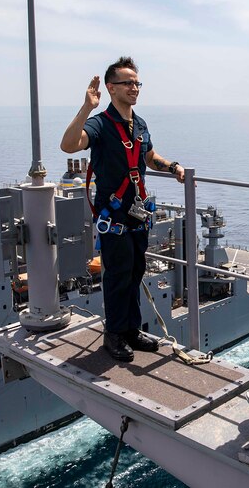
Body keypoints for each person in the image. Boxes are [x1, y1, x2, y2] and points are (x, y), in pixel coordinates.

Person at [61, 57, 185, 362]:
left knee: (134, 272)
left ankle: (131, 330)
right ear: (110, 88)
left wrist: (172, 167)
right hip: (113, 216)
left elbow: (149, 155)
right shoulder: (100, 124)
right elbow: (69, 145)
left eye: (137, 83)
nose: (134, 88)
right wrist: (87, 107)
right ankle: (114, 335)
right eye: (127, 83)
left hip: (136, 214)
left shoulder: (139, 124)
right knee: (117, 275)